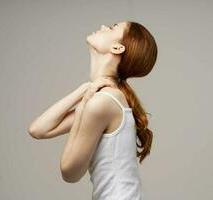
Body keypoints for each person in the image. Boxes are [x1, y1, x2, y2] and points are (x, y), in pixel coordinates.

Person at [28, 20, 158, 200]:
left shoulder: (102, 103)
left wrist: (82, 107)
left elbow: (69, 173)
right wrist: (84, 89)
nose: (104, 27)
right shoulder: (106, 97)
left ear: (117, 48)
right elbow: (38, 129)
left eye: (113, 28)